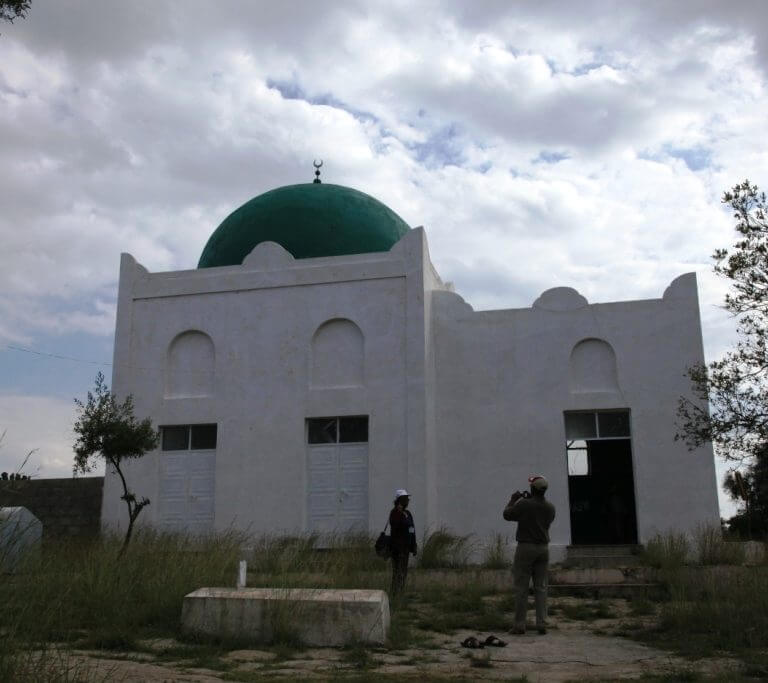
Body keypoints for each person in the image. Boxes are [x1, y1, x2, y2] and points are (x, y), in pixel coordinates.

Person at [503, 474, 556, 635]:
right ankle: (542, 623)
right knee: (541, 587)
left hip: (526, 547)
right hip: (543, 549)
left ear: (532, 488)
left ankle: (519, 624)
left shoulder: (524, 504)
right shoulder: (550, 507)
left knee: (521, 587)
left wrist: (514, 500)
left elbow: (507, 515)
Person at [389, 488, 417, 596]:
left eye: (408, 499)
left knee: (403, 571)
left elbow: (412, 529)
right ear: (399, 500)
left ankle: (401, 591)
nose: (408, 501)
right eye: (405, 499)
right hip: (397, 548)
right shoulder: (394, 513)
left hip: (406, 547)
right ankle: (395, 593)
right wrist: (399, 513)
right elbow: (395, 526)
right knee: (397, 571)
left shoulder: (408, 513)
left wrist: (414, 545)